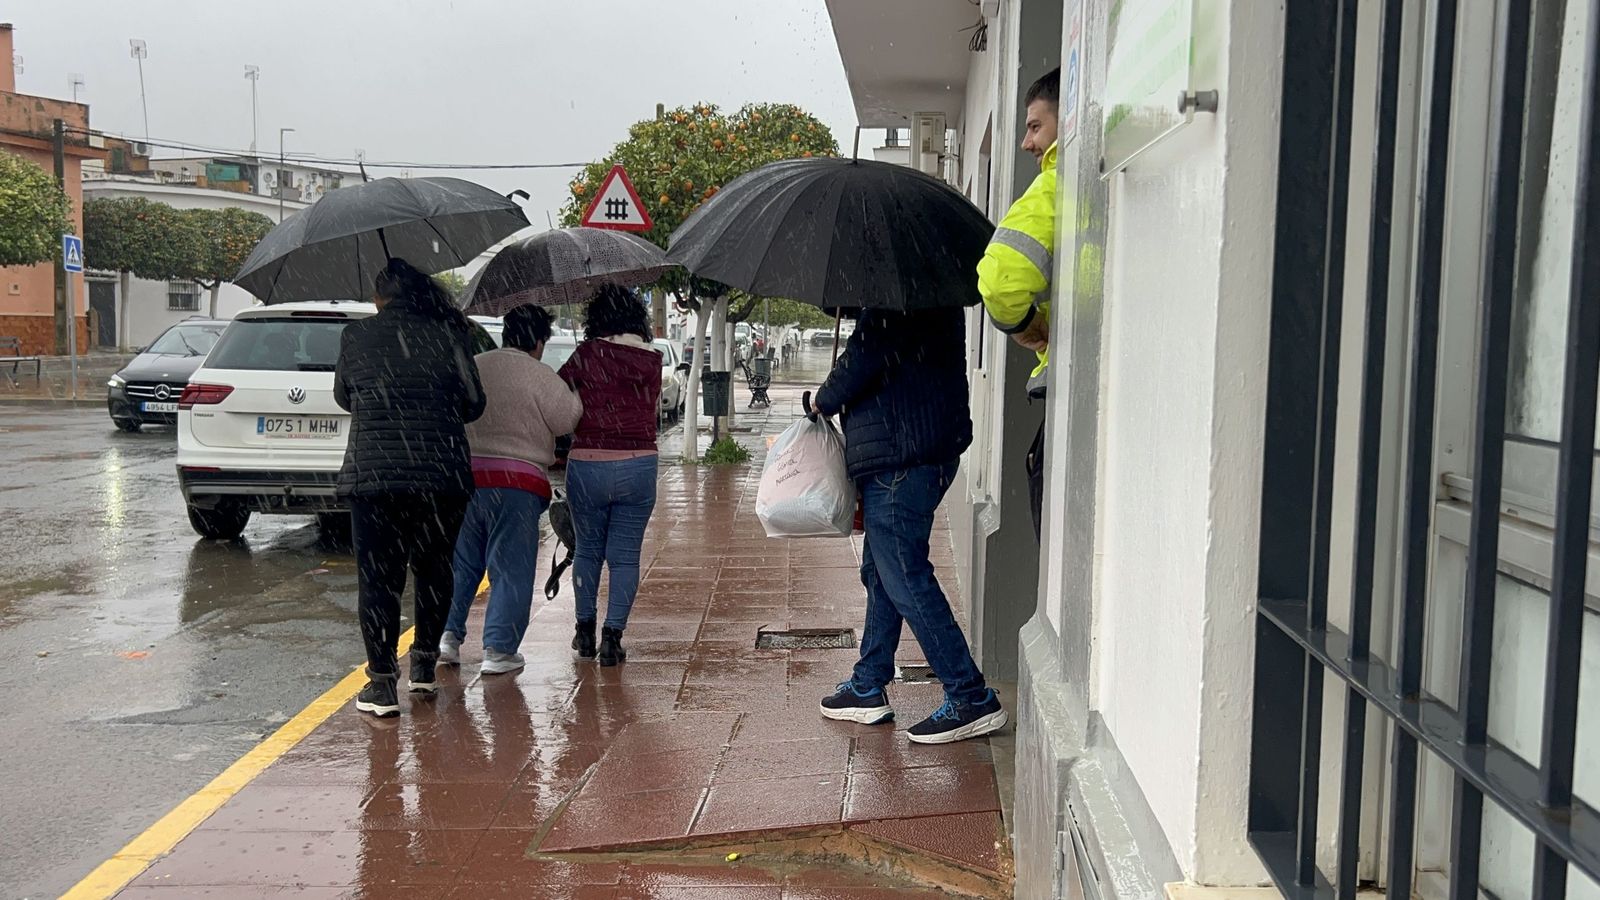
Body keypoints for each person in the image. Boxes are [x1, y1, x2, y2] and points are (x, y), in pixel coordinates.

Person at [810, 307, 1006, 744]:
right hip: (919, 450)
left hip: (903, 454)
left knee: (905, 576)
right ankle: (867, 684)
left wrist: (822, 398)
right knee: (882, 572)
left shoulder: (890, 299)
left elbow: (864, 358)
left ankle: (969, 695)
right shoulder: (922, 290)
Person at [335, 257, 486, 718]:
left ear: (381, 298)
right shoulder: (450, 333)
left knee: (378, 580)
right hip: (440, 477)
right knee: (435, 570)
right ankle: (422, 666)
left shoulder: (356, 336)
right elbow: (475, 403)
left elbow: (344, 396)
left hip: (374, 479)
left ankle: (382, 686)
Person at [441, 304, 583, 675]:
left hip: (469, 479)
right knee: (510, 566)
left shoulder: (477, 364)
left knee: (463, 562)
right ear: (538, 341)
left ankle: (446, 636)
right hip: (518, 485)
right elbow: (567, 418)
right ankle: (499, 650)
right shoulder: (540, 375)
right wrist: (574, 392)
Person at [558, 285, 662, 666]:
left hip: (587, 463)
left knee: (587, 550)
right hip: (638, 463)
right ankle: (612, 637)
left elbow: (559, 393)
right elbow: (649, 407)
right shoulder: (653, 358)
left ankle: (584, 631)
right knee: (625, 557)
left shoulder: (587, 353)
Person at [977, 66, 1059, 541]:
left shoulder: (1055, 184)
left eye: (1035, 126)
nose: (1027, 143)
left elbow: (1000, 281)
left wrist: (1028, 324)